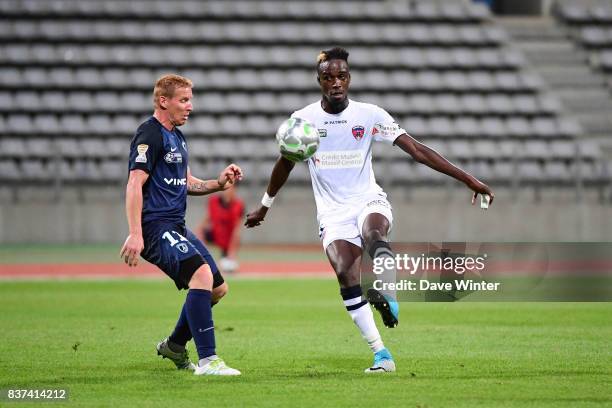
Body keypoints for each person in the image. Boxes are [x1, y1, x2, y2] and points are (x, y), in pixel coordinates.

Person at [245, 47, 494, 373]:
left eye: (342, 76)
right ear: (319, 80)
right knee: (345, 274)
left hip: (368, 200)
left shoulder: (370, 115)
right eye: (329, 77)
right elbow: (285, 164)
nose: (336, 82)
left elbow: (417, 151)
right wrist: (264, 207)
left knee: (373, 232)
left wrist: (469, 179)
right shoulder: (303, 121)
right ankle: (381, 354)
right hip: (332, 214)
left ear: (350, 78)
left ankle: (387, 292)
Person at [120, 74, 242, 376]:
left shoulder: (177, 136)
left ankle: (175, 345)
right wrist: (136, 232)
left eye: (190, 99)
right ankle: (208, 360)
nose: (190, 106)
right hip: (154, 226)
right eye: (184, 100)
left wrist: (218, 182)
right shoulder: (150, 134)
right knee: (200, 275)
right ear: (164, 101)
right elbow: (135, 182)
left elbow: (186, 183)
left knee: (217, 288)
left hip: (175, 226)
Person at [197, 183, 244, 273]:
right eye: (225, 188)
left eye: (230, 188)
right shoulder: (213, 201)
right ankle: (202, 260)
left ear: (235, 190)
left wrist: (232, 252)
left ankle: (228, 259)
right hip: (215, 234)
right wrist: (198, 230)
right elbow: (209, 217)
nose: (227, 191)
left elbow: (237, 230)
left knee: (228, 266)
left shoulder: (238, 205)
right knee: (200, 235)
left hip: (228, 238)